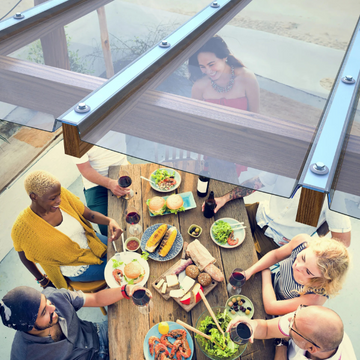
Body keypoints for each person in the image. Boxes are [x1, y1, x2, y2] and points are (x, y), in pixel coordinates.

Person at [11, 170, 123, 289]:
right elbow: (23, 256)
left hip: (91, 241)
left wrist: (109, 221)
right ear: (34, 197)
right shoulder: (22, 228)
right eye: (53, 198)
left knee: (126, 251)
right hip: (74, 264)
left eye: (58, 195)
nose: (59, 200)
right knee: (120, 269)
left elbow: (88, 214)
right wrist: (42, 279)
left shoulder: (61, 194)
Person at [206, 173, 351, 257]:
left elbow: (342, 242)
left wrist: (306, 246)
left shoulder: (334, 194)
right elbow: (257, 182)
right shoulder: (291, 164)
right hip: (259, 213)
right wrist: (224, 198)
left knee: (233, 259)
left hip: (277, 241)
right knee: (211, 222)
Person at [0, 284, 149, 360]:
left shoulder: (54, 296)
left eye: (47, 302)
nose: (52, 307)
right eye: (44, 312)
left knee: (147, 332)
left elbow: (96, 298)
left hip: (98, 334)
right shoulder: (25, 356)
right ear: (28, 326)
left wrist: (126, 290)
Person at [243, 234, 349, 315]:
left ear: (320, 280)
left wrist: (266, 273)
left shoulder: (316, 297)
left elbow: (271, 307)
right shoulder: (302, 242)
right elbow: (275, 255)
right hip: (269, 281)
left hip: (274, 308)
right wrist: (249, 271)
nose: (297, 266)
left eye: (308, 271)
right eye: (303, 258)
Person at [226, 305, 356, 360]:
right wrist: (252, 324)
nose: (289, 319)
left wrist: (281, 347)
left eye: (293, 326)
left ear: (311, 348)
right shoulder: (303, 320)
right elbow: (266, 328)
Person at [189, 35, 260, 113]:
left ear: (224, 57)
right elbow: (194, 117)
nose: (208, 71)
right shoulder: (199, 86)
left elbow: (255, 116)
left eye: (211, 64)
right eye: (202, 66)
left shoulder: (246, 77)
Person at [73, 146, 129, 236]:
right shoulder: (72, 136)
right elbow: (85, 169)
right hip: (95, 184)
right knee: (111, 232)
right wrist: (109, 183)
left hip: (122, 170)